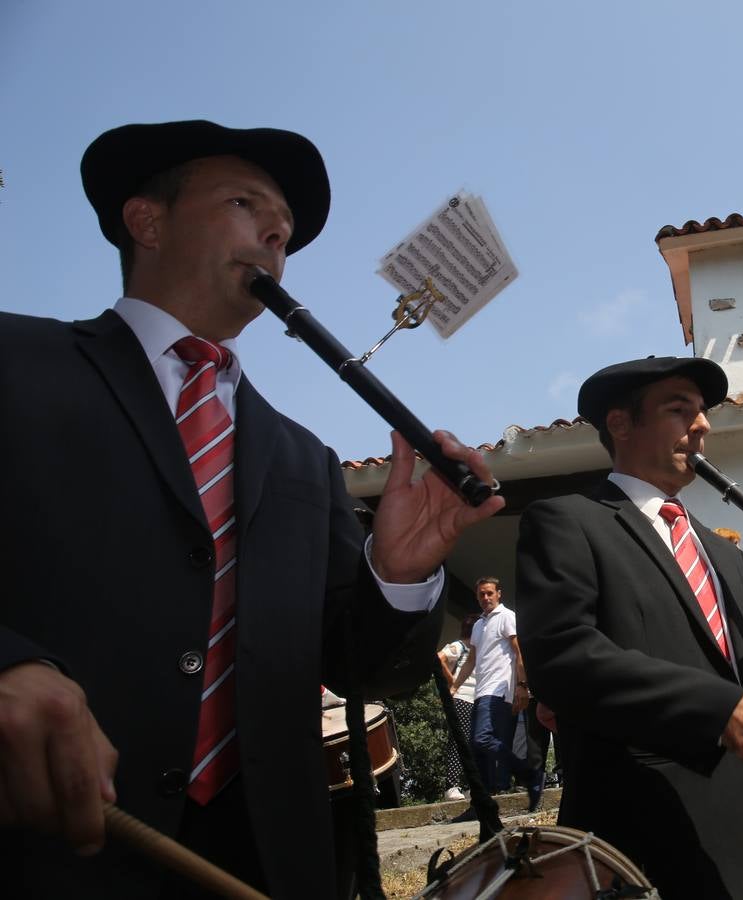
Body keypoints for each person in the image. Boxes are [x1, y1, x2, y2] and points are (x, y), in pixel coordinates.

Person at [0, 120, 503, 898]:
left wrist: (401, 572)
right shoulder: (17, 362)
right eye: (246, 204)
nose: (276, 234)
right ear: (147, 220)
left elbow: (361, 664)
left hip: (268, 860)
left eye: (286, 231)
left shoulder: (303, 455)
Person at [515, 356, 743, 900]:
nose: (703, 424)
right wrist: (721, 708)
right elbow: (565, 660)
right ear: (620, 423)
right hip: (655, 843)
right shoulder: (567, 521)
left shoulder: (723, 554)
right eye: (678, 408)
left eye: (703, 411)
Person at [449, 578, 538, 807]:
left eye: (489, 593)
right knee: (478, 746)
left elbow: (519, 652)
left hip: (499, 689)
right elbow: (471, 659)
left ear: (499, 594)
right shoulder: (479, 624)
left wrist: (522, 685)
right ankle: (487, 795)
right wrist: (455, 686)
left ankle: (525, 773)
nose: (485, 598)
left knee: (483, 738)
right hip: (481, 690)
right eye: (481, 595)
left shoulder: (507, 617)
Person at [437, 618, 478, 801]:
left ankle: (469, 785)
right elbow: (439, 658)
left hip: (474, 699)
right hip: (461, 698)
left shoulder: (475, 650)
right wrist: (452, 681)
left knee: (473, 744)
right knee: (459, 742)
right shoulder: (459, 646)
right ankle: (451, 786)